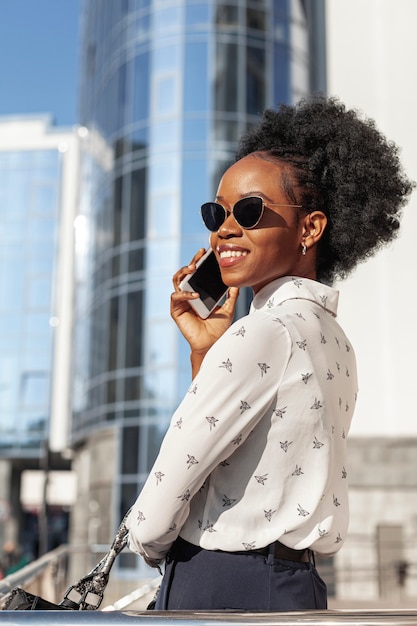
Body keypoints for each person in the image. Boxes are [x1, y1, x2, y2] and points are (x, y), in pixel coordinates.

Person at [126, 95, 414, 611]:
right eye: (216, 212)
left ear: (310, 228)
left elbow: (172, 481)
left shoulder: (264, 333)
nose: (225, 229)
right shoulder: (335, 341)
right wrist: (208, 355)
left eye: (250, 211)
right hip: (298, 588)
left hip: (219, 585)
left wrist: (146, 542)